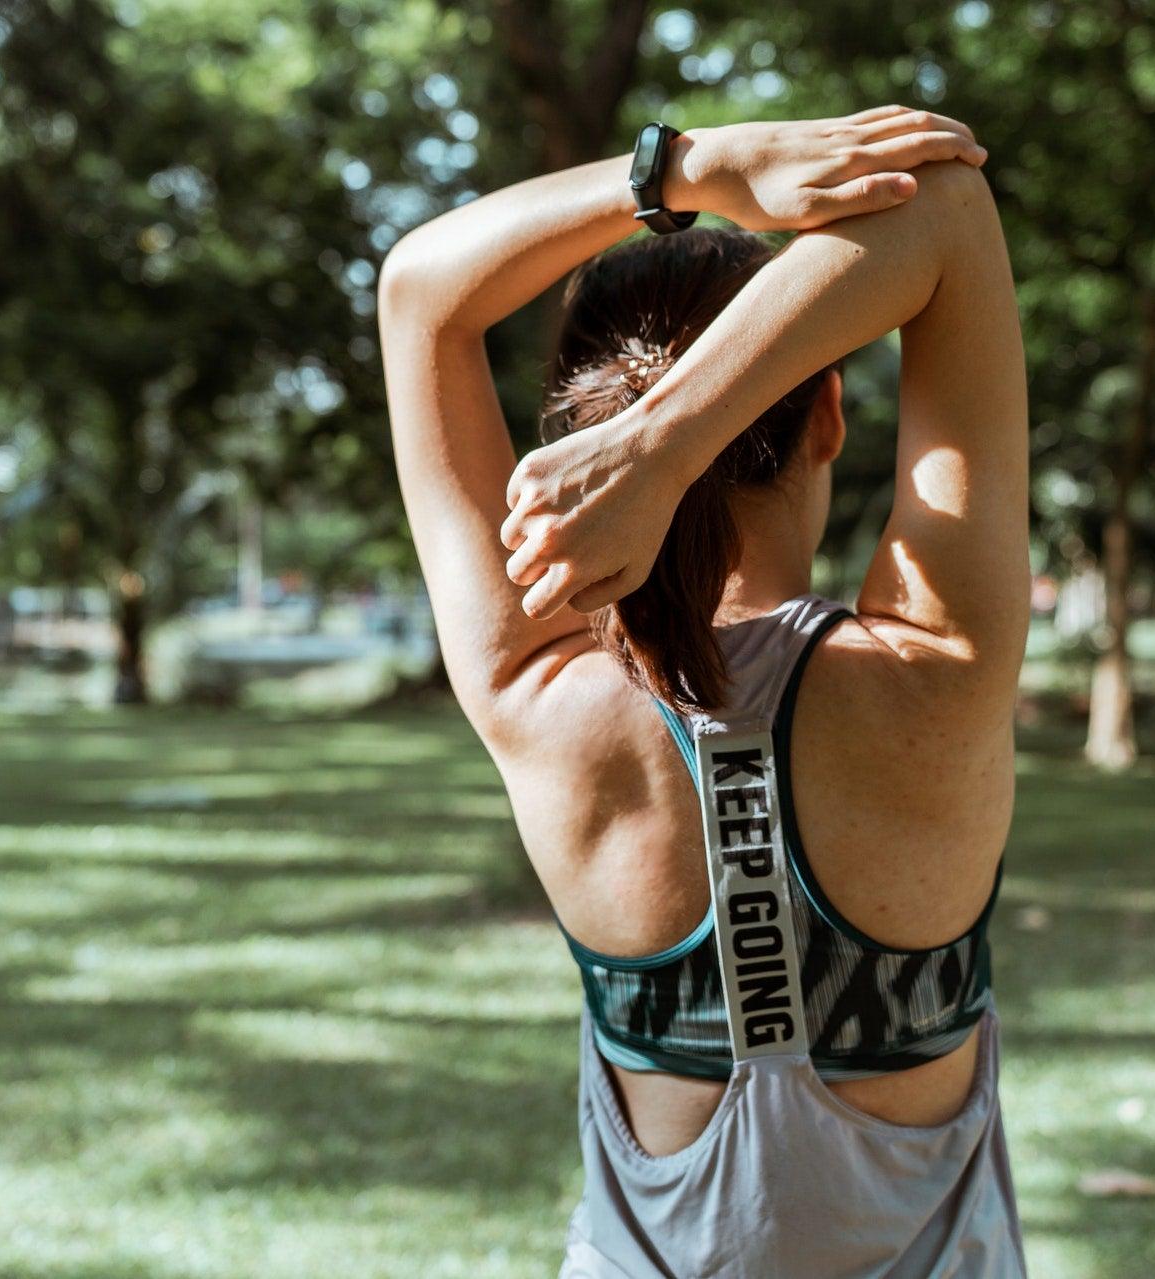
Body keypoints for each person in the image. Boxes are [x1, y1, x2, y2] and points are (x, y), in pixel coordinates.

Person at [378, 106, 1029, 1278]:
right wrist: (668, 447)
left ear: (571, 438)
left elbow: (420, 288)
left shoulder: (537, 688)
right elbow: (951, 208)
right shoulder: (939, 664)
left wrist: (691, 168)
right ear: (827, 412)